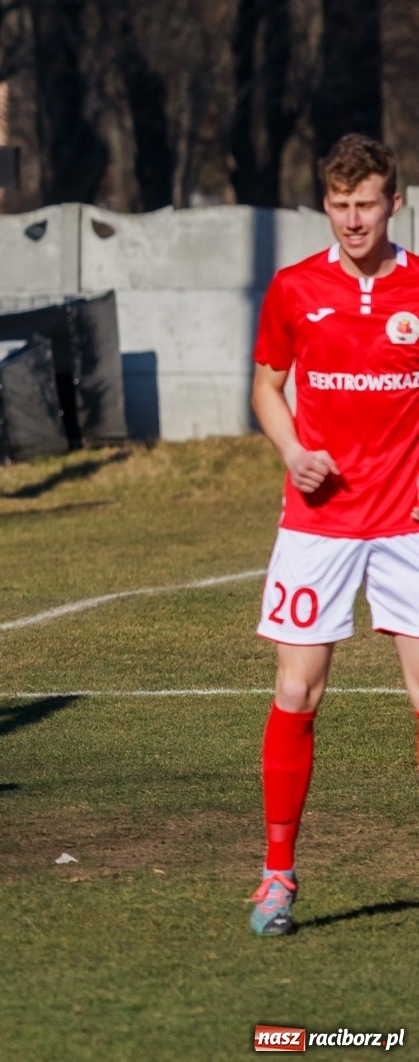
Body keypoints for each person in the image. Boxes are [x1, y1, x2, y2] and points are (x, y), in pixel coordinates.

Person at [249, 133, 419, 935]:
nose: (354, 220)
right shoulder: (292, 290)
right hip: (318, 525)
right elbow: (267, 386)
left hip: (410, 524)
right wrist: (292, 450)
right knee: (296, 692)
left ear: (396, 203)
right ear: (327, 205)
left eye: (368, 204)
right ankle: (277, 877)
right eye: (341, 205)